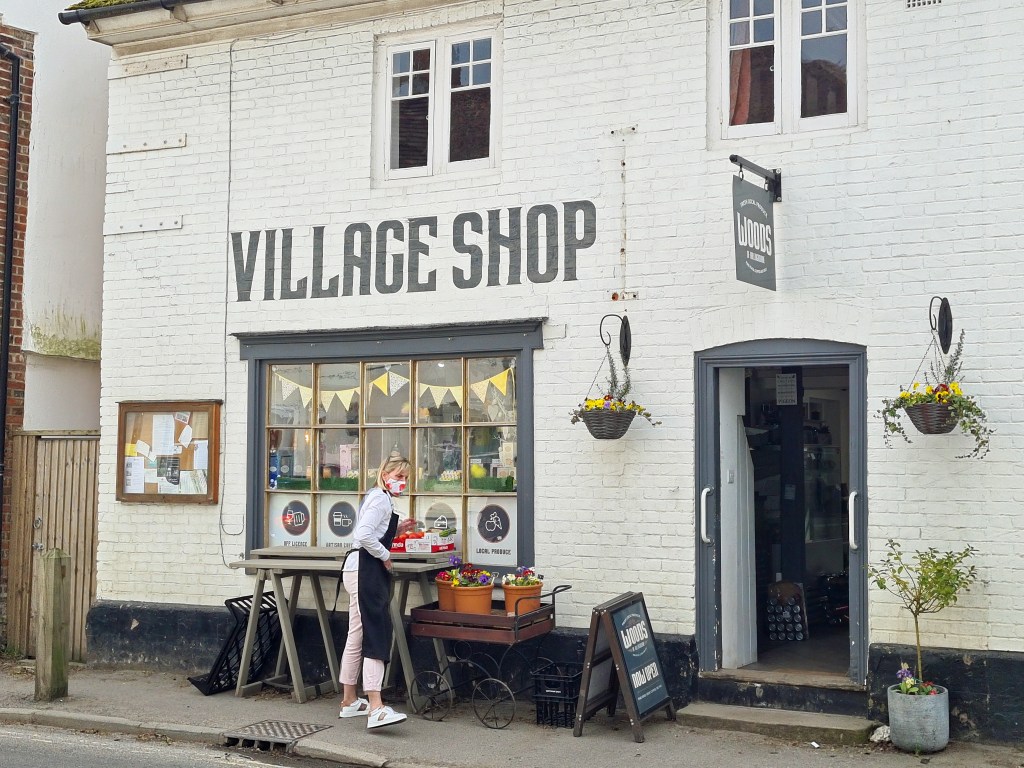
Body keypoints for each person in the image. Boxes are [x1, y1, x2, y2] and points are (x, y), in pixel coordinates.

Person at [338, 453, 416, 729]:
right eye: (398, 477)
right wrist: (385, 555)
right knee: (376, 633)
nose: (402, 482)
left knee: (357, 633)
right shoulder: (381, 498)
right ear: (385, 475)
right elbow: (363, 535)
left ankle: (350, 700)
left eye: (405, 478)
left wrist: (398, 529)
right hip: (366, 570)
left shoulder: (378, 497)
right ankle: (376, 706)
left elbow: (373, 530)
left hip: (357, 569)